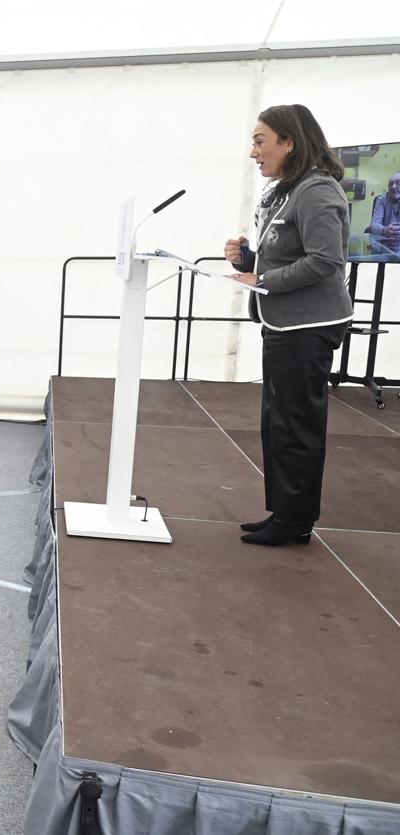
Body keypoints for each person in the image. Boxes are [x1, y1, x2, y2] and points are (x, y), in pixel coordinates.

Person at [224, 104, 353, 547]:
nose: (253, 152)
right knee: (277, 421)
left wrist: (263, 279)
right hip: (284, 323)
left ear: (289, 142)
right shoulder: (283, 191)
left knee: (296, 423)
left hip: (308, 325)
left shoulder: (317, 191)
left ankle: (296, 519)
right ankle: (284, 511)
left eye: (260, 141)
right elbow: (284, 253)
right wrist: (247, 260)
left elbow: (324, 260)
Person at [366, 172, 400, 256]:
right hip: (383, 248)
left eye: (398, 183)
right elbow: (373, 225)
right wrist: (385, 230)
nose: (393, 186)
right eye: (390, 184)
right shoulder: (381, 200)